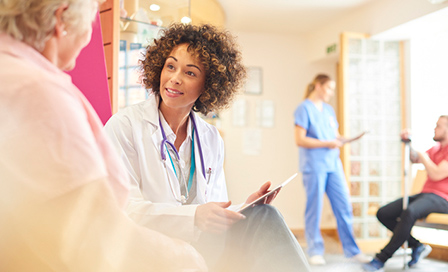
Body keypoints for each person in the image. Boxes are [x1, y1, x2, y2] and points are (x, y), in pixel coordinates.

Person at [0, 1, 207, 271]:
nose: (88, 35)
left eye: (191, 72)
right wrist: (183, 258)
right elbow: (94, 234)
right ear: (62, 21)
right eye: (90, 23)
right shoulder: (39, 93)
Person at [104, 23, 311, 272]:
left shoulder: (210, 137)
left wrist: (243, 208)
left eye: (190, 73)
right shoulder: (125, 126)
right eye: (170, 66)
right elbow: (122, 210)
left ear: (208, 85)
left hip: (202, 246)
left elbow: (214, 209)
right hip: (150, 250)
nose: (175, 78)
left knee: (265, 217)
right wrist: (193, 217)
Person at [294, 74, 370, 265]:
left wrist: (351, 138)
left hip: (333, 165)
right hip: (314, 165)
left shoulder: (328, 110)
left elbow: (335, 136)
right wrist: (327, 143)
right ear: (318, 86)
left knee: (344, 205)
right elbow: (300, 139)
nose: (330, 93)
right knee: (315, 208)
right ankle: (315, 250)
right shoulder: (304, 108)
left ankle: (352, 250)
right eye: (328, 88)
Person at [363, 116, 448, 271]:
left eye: (439, 126)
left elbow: (436, 174)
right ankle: (417, 245)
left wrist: (422, 155)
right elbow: (414, 158)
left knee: (409, 212)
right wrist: (408, 143)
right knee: (383, 213)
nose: (435, 128)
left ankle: (381, 259)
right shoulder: (435, 149)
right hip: (426, 194)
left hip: (443, 198)